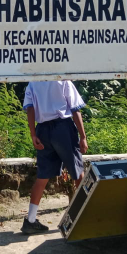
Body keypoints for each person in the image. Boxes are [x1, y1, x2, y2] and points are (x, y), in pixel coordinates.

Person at [21, 80, 88, 234]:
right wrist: (83, 136)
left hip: (43, 130)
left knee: (42, 176)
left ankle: (30, 220)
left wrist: (33, 134)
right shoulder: (63, 80)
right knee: (78, 173)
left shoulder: (33, 82)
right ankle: (82, 216)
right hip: (63, 127)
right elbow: (75, 109)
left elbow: (30, 108)